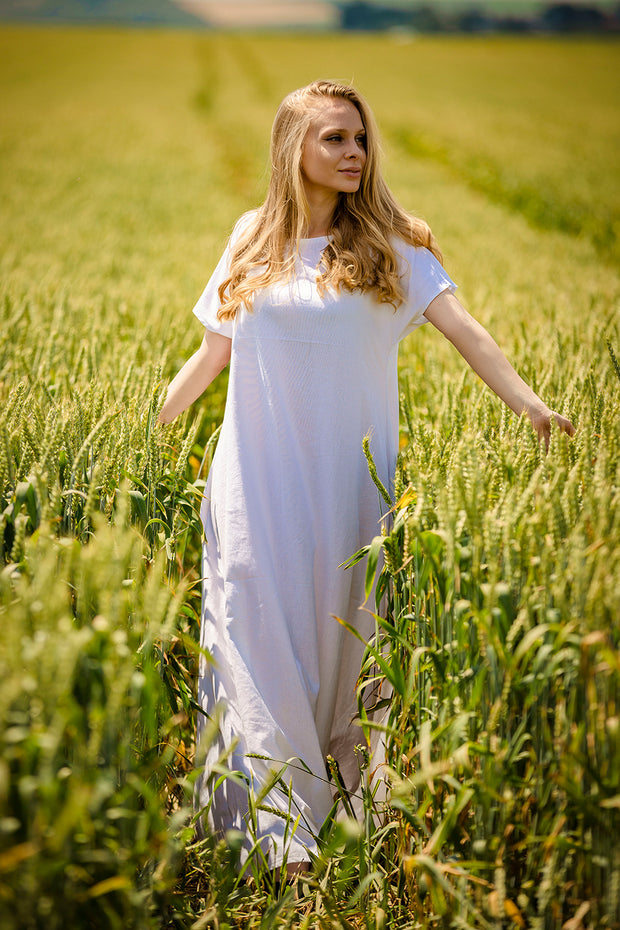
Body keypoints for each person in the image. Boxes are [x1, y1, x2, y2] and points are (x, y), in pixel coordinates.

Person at [158, 79, 575, 876]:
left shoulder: (396, 242)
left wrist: (532, 406)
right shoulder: (251, 237)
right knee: (254, 638)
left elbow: (467, 332)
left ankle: (348, 819)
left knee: (349, 641)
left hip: (352, 489)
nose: (354, 153)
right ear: (294, 149)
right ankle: (274, 838)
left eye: (359, 139)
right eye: (334, 140)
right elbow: (213, 352)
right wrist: (144, 430)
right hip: (256, 481)